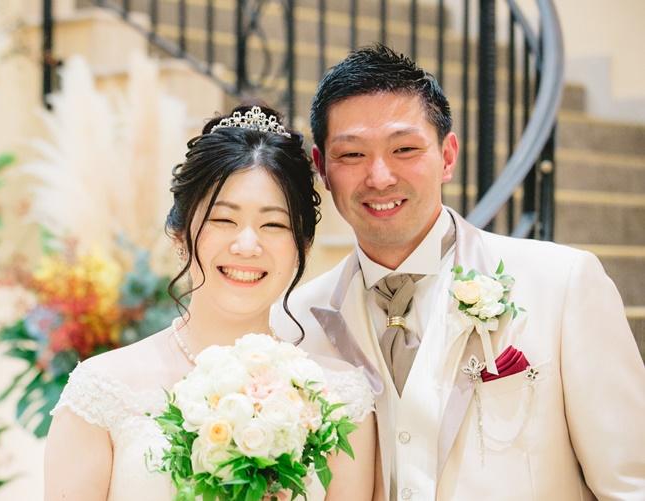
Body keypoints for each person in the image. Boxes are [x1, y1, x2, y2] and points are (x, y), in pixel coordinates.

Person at [272, 43, 645, 500]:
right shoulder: (295, 322)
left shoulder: (563, 284)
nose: (380, 177)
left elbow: (631, 485)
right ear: (322, 169)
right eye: (352, 155)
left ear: (447, 156)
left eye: (404, 149)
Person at [44, 104, 377, 501]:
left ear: (302, 246)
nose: (247, 245)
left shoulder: (340, 399)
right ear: (181, 235)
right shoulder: (102, 391)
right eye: (223, 220)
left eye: (273, 224)